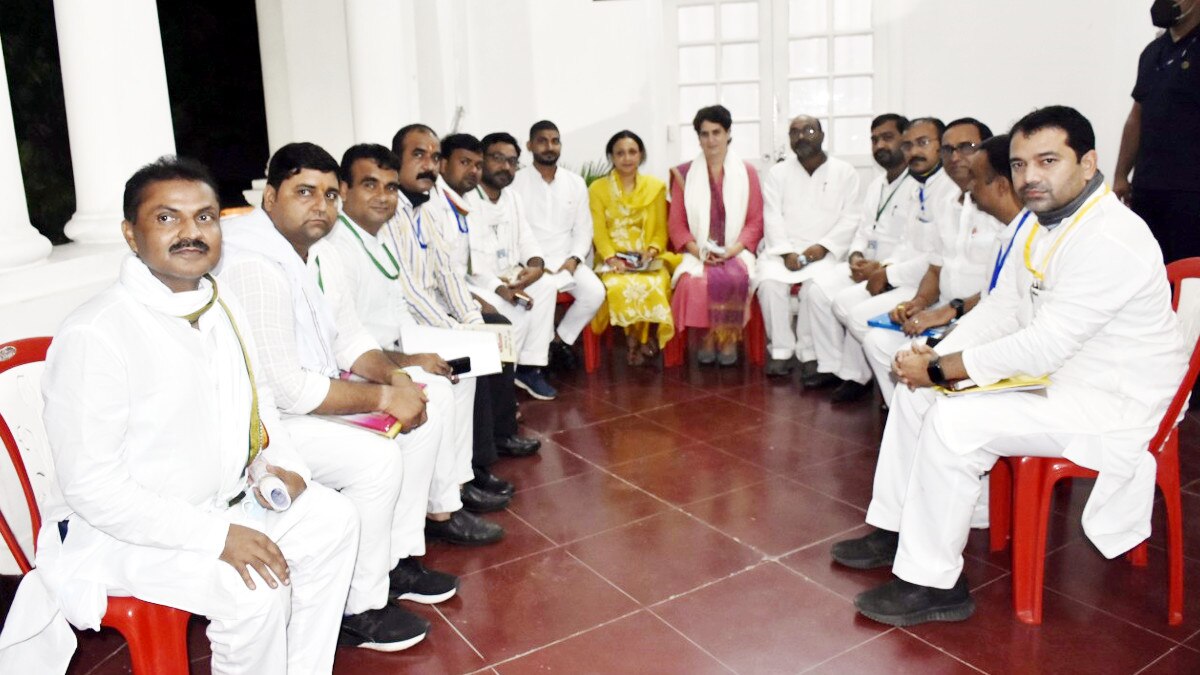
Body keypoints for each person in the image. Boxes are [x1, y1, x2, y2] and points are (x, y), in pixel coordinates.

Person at [831, 106, 1188, 627]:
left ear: (1088, 163)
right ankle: (896, 527)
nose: (1030, 177)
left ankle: (934, 584)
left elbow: (1043, 345)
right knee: (915, 394)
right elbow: (1003, 307)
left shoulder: (1110, 237)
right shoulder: (1042, 223)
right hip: (1062, 379)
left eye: (1047, 161)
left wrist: (944, 369)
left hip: (1115, 400)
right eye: (1020, 164)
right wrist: (938, 358)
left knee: (953, 419)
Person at [0, 157, 358, 673]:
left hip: (224, 503)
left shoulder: (222, 303)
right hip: (121, 533)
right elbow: (92, 489)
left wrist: (284, 466)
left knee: (333, 520)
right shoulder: (97, 333)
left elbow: (258, 403)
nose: (191, 232)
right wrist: (217, 538)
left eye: (205, 217)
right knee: (254, 589)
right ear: (130, 233)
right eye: (167, 218)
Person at [220, 143, 479, 652]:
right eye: (304, 192)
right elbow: (287, 389)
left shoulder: (315, 253)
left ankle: (393, 561)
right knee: (375, 460)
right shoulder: (255, 264)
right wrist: (381, 398)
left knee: (427, 402)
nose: (320, 205)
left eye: (329, 195)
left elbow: (350, 338)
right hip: (264, 426)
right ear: (270, 197)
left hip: (308, 398)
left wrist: (397, 381)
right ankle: (358, 607)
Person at [314, 140, 512, 516]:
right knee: (440, 387)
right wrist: (412, 359)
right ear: (344, 189)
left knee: (466, 365)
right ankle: (442, 509)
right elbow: (345, 340)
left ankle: (459, 482)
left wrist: (436, 341)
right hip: (365, 363)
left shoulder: (378, 235)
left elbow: (401, 302)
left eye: (390, 187)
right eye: (370, 185)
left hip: (398, 341)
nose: (383, 197)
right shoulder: (337, 248)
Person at [809, 118, 959, 403]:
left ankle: (886, 380)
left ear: (940, 147)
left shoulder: (948, 190)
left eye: (923, 143)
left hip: (923, 283)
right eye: (909, 145)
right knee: (833, 297)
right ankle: (859, 374)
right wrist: (864, 260)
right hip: (895, 269)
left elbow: (934, 259)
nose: (914, 151)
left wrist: (886, 272)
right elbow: (900, 240)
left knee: (857, 314)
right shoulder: (918, 186)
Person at [861, 118, 1003, 403]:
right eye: (948, 150)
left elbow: (1003, 289)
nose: (955, 157)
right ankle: (904, 411)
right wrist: (918, 302)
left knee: (912, 363)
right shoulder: (947, 203)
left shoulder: (999, 205)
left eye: (966, 147)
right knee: (877, 342)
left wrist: (948, 312)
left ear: (986, 152)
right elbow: (936, 268)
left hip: (980, 317)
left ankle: (921, 411)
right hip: (943, 310)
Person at [435, 132, 540, 463]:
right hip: (446, 302)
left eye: (476, 164)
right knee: (494, 328)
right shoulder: (436, 206)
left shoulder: (456, 203)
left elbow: (452, 270)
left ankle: (502, 431)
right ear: (443, 164)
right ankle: (485, 449)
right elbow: (446, 273)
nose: (473, 171)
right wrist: (477, 301)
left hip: (462, 293)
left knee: (499, 327)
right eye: (464, 163)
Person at [804, 114, 913, 387]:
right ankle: (830, 366)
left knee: (853, 302)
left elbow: (912, 243)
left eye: (887, 138)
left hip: (892, 270)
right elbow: (863, 230)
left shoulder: (916, 185)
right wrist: (855, 256)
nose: (880, 145)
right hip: (866, 264)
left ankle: (856, 376)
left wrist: (881, 268)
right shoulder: (877, 184)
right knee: (817, 290)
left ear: (905, 140)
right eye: (874, 140)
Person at [755, 114, 862, 376]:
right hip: (783, 250)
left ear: (822, 135)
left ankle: (810, 352)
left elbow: (851, 217)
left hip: (825, 252)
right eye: (795, 132)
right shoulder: (778, 173)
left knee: (814, 288)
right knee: (769, 285)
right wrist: (786, 252)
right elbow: (772, 216)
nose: (801, 136)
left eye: (809, 130)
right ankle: (781, 351)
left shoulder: (845, 172)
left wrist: (822, 247)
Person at [465, 132, 560, 400]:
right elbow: (471, 264)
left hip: (509, 275)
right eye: (497, 159)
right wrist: (501, 289)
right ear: (481, 161)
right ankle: (502, 386)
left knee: (547, 286)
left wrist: (536, 266)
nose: (505, 167)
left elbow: (526, 238)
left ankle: (529, 367)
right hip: (476, 283)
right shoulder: (466, 199)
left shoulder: (512, 198)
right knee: (513, 311)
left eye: (512, 161)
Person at [669, 105, 764, 366]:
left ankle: (726, 337)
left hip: (736, 249)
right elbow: (677, 225)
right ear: (698, 138)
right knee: (692, 282)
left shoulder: (747, 173)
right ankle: (708, 337)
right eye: (705, 134)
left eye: (717, 132)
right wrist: (700, 251)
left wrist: (732, 250)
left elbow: (755, 221)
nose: (711, 140)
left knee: (736, 276)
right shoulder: (684, 174)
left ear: (728, 133)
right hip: (697, 251)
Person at [512, 120, 605, 369]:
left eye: (555, 141)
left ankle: (557, 341)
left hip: (566, 260)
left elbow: (583, 230)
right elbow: (515, 232)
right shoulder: (515, 183)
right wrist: (533, 263)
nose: (549, 146)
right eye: (542, 141)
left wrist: (574, 259)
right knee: (540, 294)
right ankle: (533, 359)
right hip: (530, 262)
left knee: (595, 292)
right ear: (530, 145)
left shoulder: (575, 182)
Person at [1114, 0, 1200, 263]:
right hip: (1148, 187)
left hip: (1191, 191)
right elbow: (1136, 117)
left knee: (1189, 275)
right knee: (1149, 268)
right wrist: (1121, 175)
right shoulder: (1152, 52)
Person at [589, 130, 677, 365]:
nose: (626, 158)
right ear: (611, 157)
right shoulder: (597, 189)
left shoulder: (654, 187)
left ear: (641, 155)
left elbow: (660, 230)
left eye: (632, 152)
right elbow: (598, 231)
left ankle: (644, 337)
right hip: (612, 258)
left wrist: (651, 252)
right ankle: (632, 341)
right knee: (620, 285)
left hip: (645, 257)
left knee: (655, 281)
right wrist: (611, 259)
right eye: (620, 153)